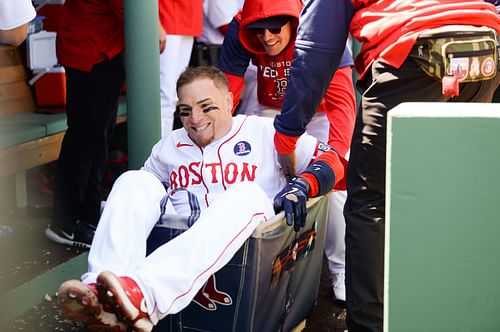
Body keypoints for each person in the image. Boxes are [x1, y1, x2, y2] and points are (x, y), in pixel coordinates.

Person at [56, 66, 347, 332]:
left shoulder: (263, 130)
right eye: (185, 111)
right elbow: (139, 198)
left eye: (207, 107)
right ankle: (102, 294)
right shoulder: (170, 145)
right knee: (133, 180)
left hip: (250, 239)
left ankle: (144, 294)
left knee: (245, 193)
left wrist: (304, 184)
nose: (195, 120)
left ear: (230, 101)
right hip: (185, 233)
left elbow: (334, 160)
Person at [272, 1, 500, 331]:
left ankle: (368, 326)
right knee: (447, 195)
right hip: (480, 55)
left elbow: (315, 47)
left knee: (371, 204)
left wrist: (288, 132)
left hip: (410, 57)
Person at [218, 0, 356, 302]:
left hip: (319, 113)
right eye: (258, 30)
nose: (266, 37)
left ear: (292, 21)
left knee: (335, 189)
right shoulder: (238, 28)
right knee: (260, 178)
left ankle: (341, 271)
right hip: (270, 110)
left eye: (274, 28)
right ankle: (264, 268)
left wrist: (334, 158)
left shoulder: (319, 27)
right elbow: (225, 95)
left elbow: (342, 103)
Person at [45, 0, 166, 248]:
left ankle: (87, 218)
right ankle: (65, 222)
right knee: (86, 138)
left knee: (98, 138)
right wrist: (155, 26)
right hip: (90, 50)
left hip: (101, 49)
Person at [158, 0, 203, 137]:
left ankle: (165, 147)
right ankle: (158, 150)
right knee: (164, 96)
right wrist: (155, 23)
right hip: (165, 16)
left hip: (189, 17)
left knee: (173, 96)